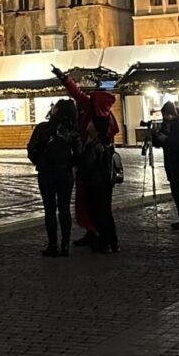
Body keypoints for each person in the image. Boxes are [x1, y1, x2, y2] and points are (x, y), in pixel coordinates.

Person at [54, 67, 120, 248]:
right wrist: (64, 78)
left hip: (94, 172)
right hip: (102, 171)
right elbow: (78, 93)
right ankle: (103, 237)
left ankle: (103, 239)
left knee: (96, 206)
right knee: (99, 206)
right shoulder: (103, 115)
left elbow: (78, 94)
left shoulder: (96, 121)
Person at [27, 98, 81, 256]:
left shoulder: (43, 128)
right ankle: (65, 245)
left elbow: (31, 149)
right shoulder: (72, 131)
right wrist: (69, 163)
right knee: (64, 209)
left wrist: (41, 162)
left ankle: (52, 245)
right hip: (65, 173)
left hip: (46, 173)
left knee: (49, 209)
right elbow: (79, 154)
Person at [78, 110, 120, 254]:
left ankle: (104, 242)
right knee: (106, 213)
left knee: (97, 213)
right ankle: (113, 242)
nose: (87, 125)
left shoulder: (94, 145)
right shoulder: (107, 143)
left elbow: (87, 164)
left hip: (95, 183)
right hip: (106, 182)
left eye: (90, 123)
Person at [152, 101, 179, 230]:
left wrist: (165, 138)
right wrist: (156, 135)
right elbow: (160, 144)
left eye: (166, 115)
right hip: (172, 165)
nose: (165, 117)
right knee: (177, 193)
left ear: (171, 114)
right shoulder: (168, 126)